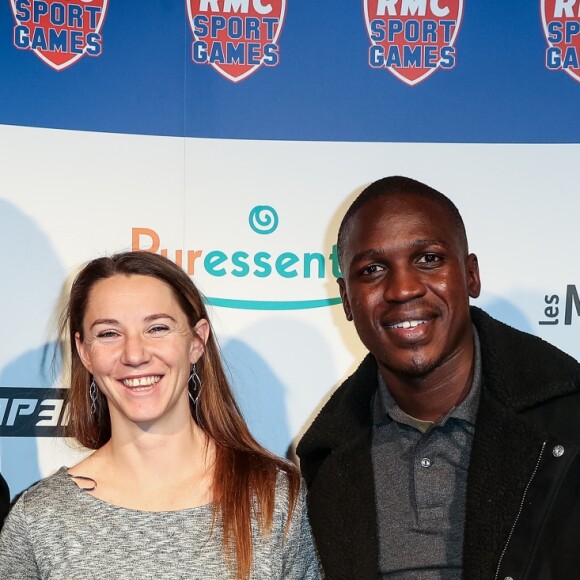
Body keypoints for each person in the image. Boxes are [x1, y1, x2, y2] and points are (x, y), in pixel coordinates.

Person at [297, 176, 580, 579]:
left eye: (428, 259)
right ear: (346, 299)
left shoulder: (568, 424)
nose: (403, 289)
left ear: (471, 275)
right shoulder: (323, 462)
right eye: (373, 269)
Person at [0, 251, 321, 579]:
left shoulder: (274, 498)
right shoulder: (40, 519)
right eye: (109, 333)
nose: (135, 354)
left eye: (157, 328)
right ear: (85, 352)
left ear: (196, 341)